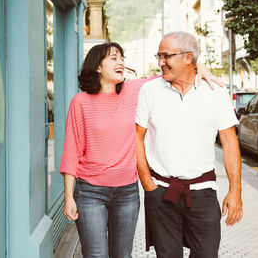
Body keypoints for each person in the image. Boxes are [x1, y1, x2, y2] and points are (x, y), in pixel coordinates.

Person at [60, 41, 222, 257]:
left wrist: (198, 66)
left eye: (122, 57)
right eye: (114, 58)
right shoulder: (80, 102)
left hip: (126, 192)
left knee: (122, 255)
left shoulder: (134, 90)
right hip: (90, 192)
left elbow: (172, 73)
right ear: (98, 66)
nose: (121, 62)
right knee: (96, 254)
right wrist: (68, 197)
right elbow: (72, 150)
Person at [135, 31, 243, 258]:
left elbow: (229, 142)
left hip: (202, 192)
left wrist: (235, 190)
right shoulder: (149, 90)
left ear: (188, 58)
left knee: (206, 254)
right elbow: (137, 137)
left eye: (166, 56)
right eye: (159, 56)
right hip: (161, 192)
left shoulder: (216, 92)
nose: (160, 62)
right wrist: (148, 184)